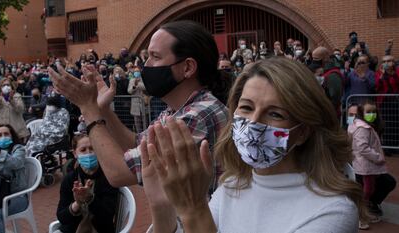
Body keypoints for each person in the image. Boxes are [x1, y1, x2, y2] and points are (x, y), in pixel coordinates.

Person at [142, 58, 365, 233]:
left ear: (303, 132)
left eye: (275, 113)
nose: (254, 122)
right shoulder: (233, 185)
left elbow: (197, 223)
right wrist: (162, 207)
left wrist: (194, 208)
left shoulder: (333, 211)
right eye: (246, 108)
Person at [48, 20, 229, 189]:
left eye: (155, 56)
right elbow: (136, 144)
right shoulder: (177, 110)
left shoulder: (197, 116)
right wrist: (103, 109)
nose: (146, 65)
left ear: (188, 67)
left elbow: (119, 173)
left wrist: (88, 108)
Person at [56, 134, 118, 233]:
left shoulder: (109, 178)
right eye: (83, 150)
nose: (88, 153)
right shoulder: (70, 179)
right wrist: (77, 204)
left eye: (92, 148)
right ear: (75, 153)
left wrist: (90, 199)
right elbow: (61, 217)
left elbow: (107, 216)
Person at [348, 100, 395, 230]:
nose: (372, 114)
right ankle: (361, 214)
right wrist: (378, 157)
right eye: (368, 112)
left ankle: (366, 210)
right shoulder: (363, 128)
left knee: (370, 188)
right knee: (367, 190)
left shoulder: (365, 126)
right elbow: (363, 148)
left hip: (366, 165)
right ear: (362, 113)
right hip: (365, 165)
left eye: (374, 112)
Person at [0, 124, 28, 233]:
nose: (3, 136)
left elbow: (16, 163)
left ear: (12, 136)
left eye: (6, 134)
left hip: (17, 197)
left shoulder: (18, 149)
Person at [375, 55, 399, 155]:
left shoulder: (397, 73)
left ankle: (396, 146)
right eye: (384, 61)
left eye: (389, 61)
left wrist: (392, 75)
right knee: (387, 125)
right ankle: (387, 148)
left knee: (396, 124)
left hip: (395, 101)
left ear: (393, 62)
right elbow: (376, 86)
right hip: (384, 102)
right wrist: (382, 76)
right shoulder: (379, 73)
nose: (386, 63)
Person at [312, 47, 344, 119]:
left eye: (317, 59)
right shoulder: (320, 71)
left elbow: (335, 98)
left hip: (329, 115)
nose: (314, 61)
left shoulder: (333, 75)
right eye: (313, 58)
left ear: (326, 58)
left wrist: (327, 113)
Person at [127, 67, 146, 133]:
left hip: (143, 103)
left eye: (138, 71)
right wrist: (134, 86)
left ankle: (146, 134)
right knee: (137, 122)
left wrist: (138, 84)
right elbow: (129, 91)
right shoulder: (131, 80)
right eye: (135, 72)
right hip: (135, 104)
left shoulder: (143, 79)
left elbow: (145, 87)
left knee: (145, 121)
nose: (136, 73)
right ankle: (139, 135)